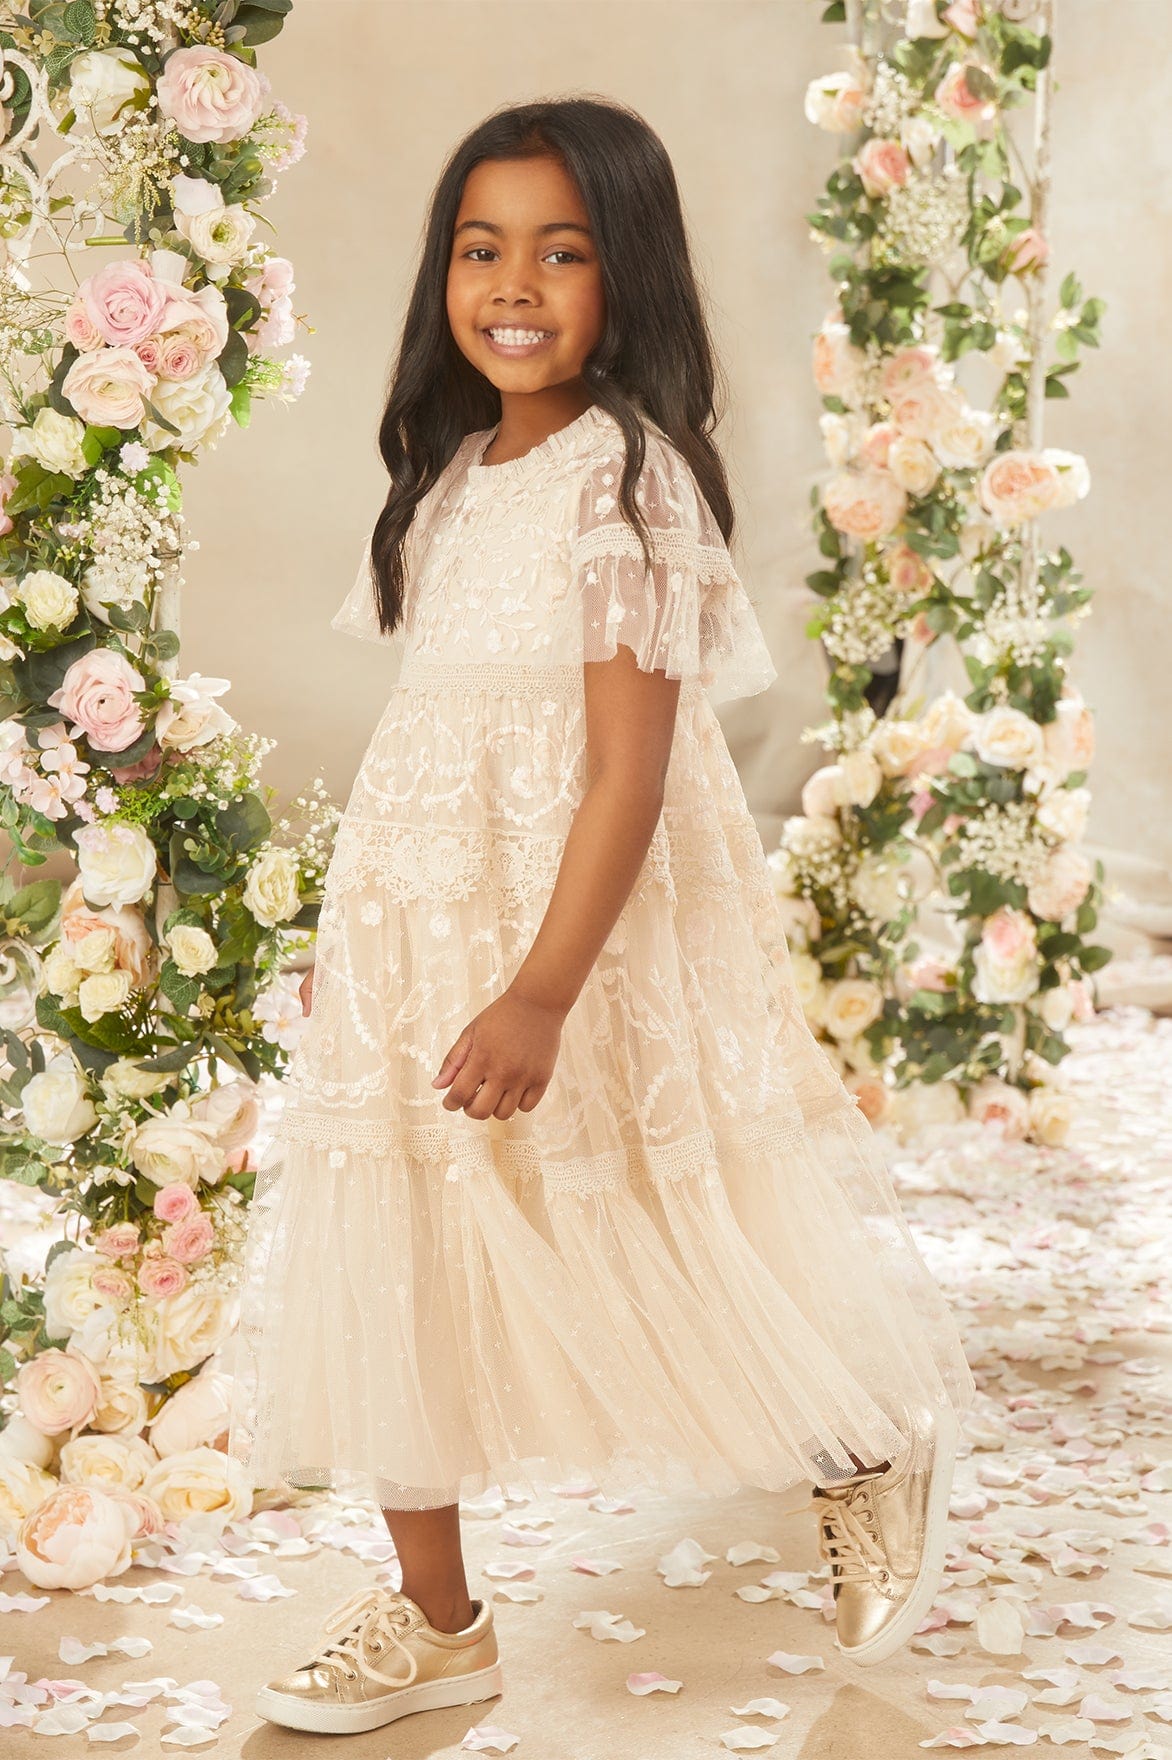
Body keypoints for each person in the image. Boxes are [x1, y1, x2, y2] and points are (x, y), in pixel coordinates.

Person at [227, 94, 976, 1738]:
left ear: (627, 276)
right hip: (419, 927)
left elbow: (631, 773)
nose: (513, 284)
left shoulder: (624, 488)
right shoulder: (452, 478)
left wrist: (545, 991)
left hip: (571, 940)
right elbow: (440, 733)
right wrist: (382, 944)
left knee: (644, 1221)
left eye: (561, 252)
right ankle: (436, 1619)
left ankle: (863, 1444)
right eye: (480, 248)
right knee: (396, 1239)